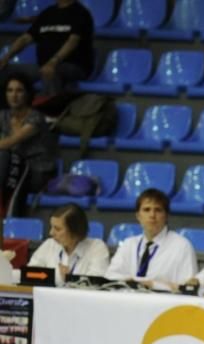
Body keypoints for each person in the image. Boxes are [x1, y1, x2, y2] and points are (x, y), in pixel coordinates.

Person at [105, 188, 198, 289]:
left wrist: (154, 285)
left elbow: (189, 287)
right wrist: (131, 282)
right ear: (138, 216)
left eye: (158, 210)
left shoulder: (182, 246)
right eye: (146, 210)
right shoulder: (128, 244)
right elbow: (110, 277)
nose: (152, 215)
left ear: (166, 216)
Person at [0, 0, 94, 95]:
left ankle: (52, 108)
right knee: (3, 70)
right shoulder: (48, 13)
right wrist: (6, 58)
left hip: (73, 66)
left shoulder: (81, 13)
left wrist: (53, 62)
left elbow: (73, 41)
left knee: (51, 71)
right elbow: (25, 38)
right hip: (43, 66)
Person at [0, 73, 57, 207]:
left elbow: (12, 141)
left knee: (3, 155)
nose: (14, 95)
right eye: (10, 90)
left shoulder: (35, 117)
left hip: (37, 171)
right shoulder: (3, 116)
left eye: (19, 90)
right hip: (11, 168)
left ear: (27, 94)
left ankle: (5, 211)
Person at [26, 203, 108, 285]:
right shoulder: (49, 245)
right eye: (51, 227)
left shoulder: (96, 248)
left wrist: (71, 280)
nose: (51, 233)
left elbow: (96, 284)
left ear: (75, 231)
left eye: (57, 229)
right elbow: (29, 274)